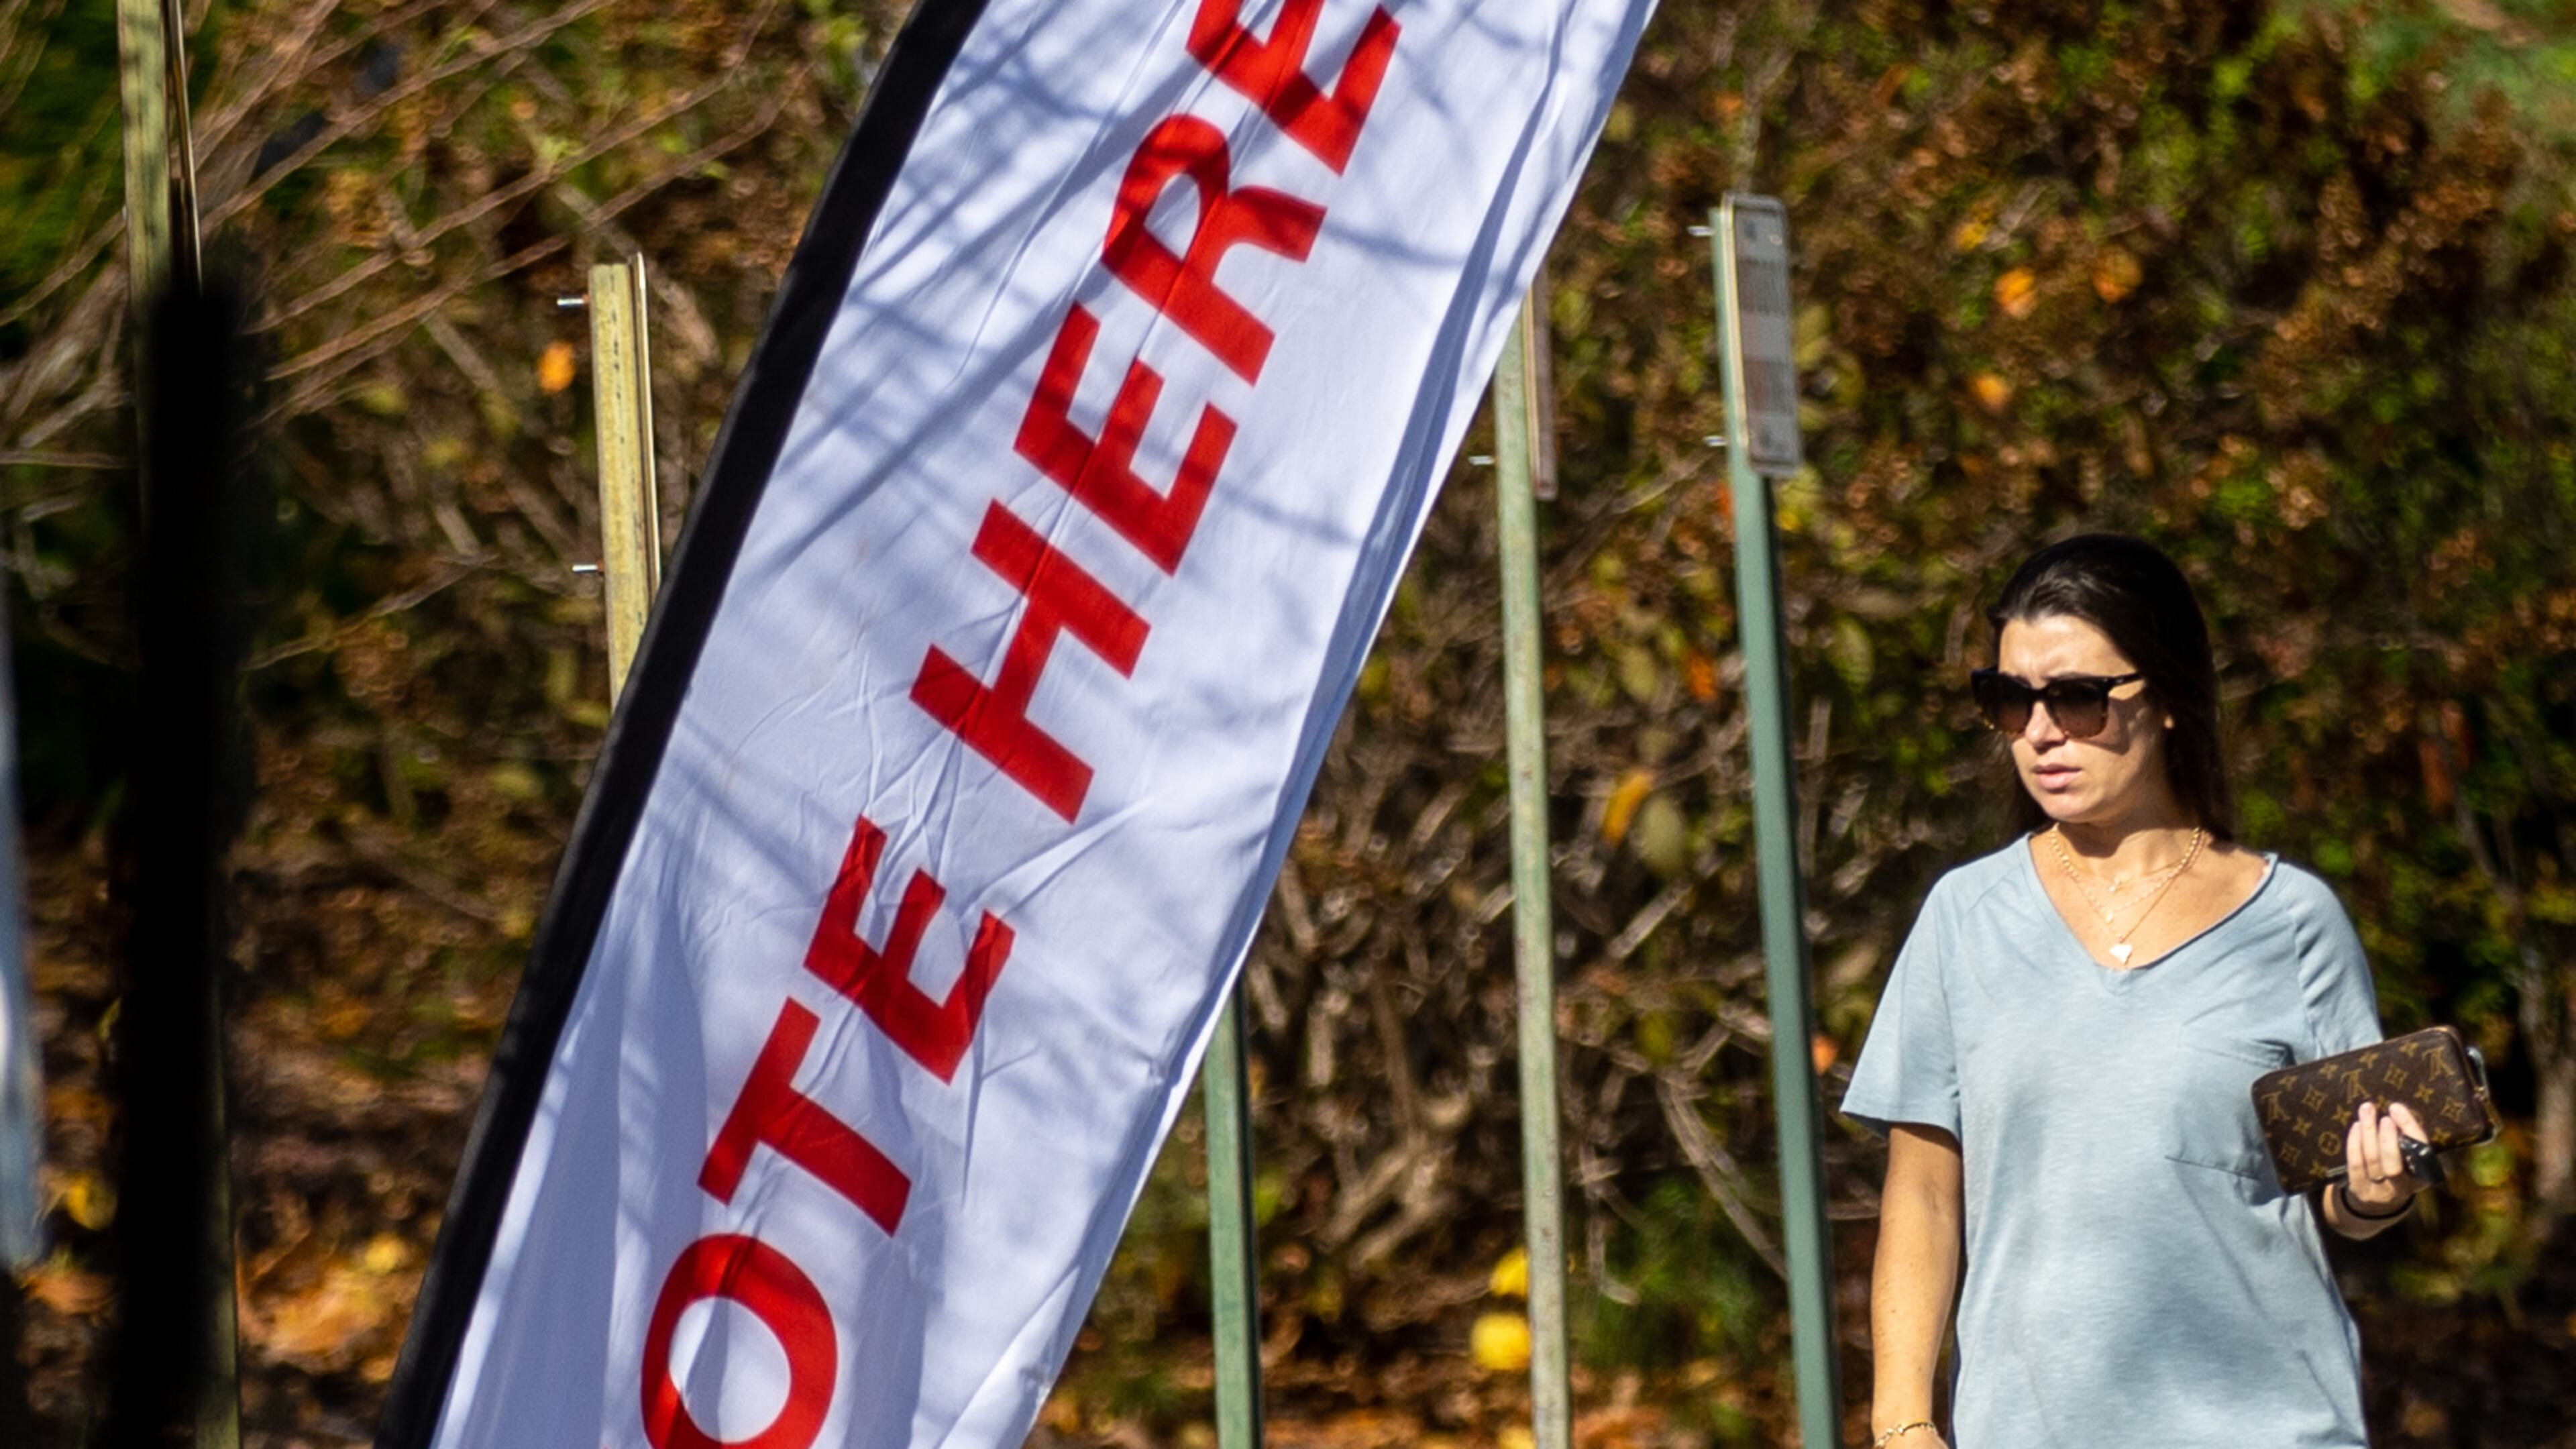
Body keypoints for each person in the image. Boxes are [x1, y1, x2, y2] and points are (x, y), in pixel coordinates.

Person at [1840, 533, 2430, 1449]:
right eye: (2009, 699)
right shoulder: (1964, 919)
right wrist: (1904, 1422)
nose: (2039, 732)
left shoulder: (2292, 922)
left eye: (2076, 698)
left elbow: (2342, 1197)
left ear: (2165, 703)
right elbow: (1922, 1196)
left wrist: (2375, 1194)